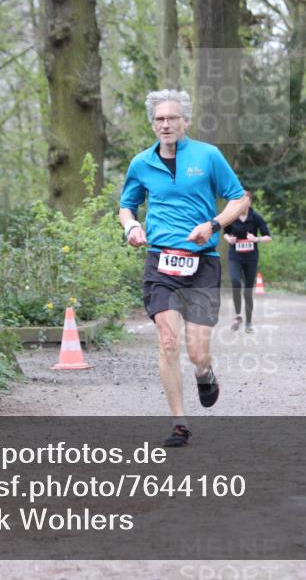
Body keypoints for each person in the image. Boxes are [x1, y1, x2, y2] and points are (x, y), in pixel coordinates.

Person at [119, 89, 249, 448]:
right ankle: (179, 422)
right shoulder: (141, 163)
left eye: (172, 118)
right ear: (153, 124)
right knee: (167, 341)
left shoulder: (208, 156)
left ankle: (205, 373)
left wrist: (213, 224)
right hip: (160, 260)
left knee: (197, 352)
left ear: (185, 121)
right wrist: (131, 227)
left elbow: (240, 198)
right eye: (159, 119)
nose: (165, 124)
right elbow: (127, 206)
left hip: (202, 262)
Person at [223, 195, 271, 333]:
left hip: (251, 257)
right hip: (235, 256)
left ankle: (249, 322)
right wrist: (229, 239)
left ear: (250, 202)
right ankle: (238, 316)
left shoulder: (256, 217)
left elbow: (268, 236)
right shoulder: (232, 217)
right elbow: (225, 233)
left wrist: (256, 239)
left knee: (248, 290)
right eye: (240, 201)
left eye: (245, 201)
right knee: (235, 282)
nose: (242, 204)